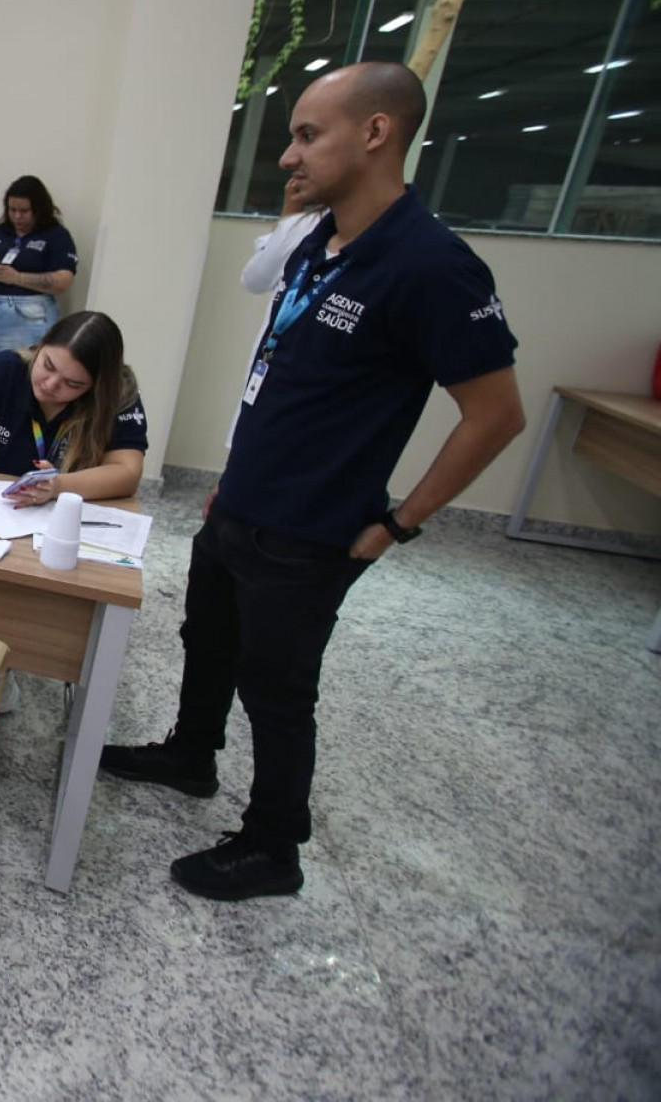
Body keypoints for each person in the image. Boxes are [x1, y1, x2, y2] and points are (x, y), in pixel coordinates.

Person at [100, 62, 525, 902]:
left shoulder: (431, 264)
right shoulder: (322, 245)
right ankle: (191, 753)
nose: (288, 156)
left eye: (306, 135)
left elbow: (496, 414)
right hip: (244, 501)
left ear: (377, 134)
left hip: (311, 528)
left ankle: (272, 846)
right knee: (207, 641)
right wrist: (231, 477)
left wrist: (400, 522)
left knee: (279, 689)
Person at [0, 310, 147, 504]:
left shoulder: (119, 394)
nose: (50, 385)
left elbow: (127, 473)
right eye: (48, 365)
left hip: (70, 513)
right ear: (41, 344)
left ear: (97, 386)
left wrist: (58, 486)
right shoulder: (4, 370)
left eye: (72, 383)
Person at [228, 186, 326, 446]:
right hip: (267, 379)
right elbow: (255, 279)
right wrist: (290, 215)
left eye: (308, 142)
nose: (289, 159)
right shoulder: (308, 227)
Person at [0, 174, 78, 371]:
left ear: (39, 209)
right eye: (12, 210)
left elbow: (63, 281)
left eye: (24, 211)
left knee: (17, 375)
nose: (17, 217)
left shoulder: (56, 236)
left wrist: (17, 278)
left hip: (23, 315)